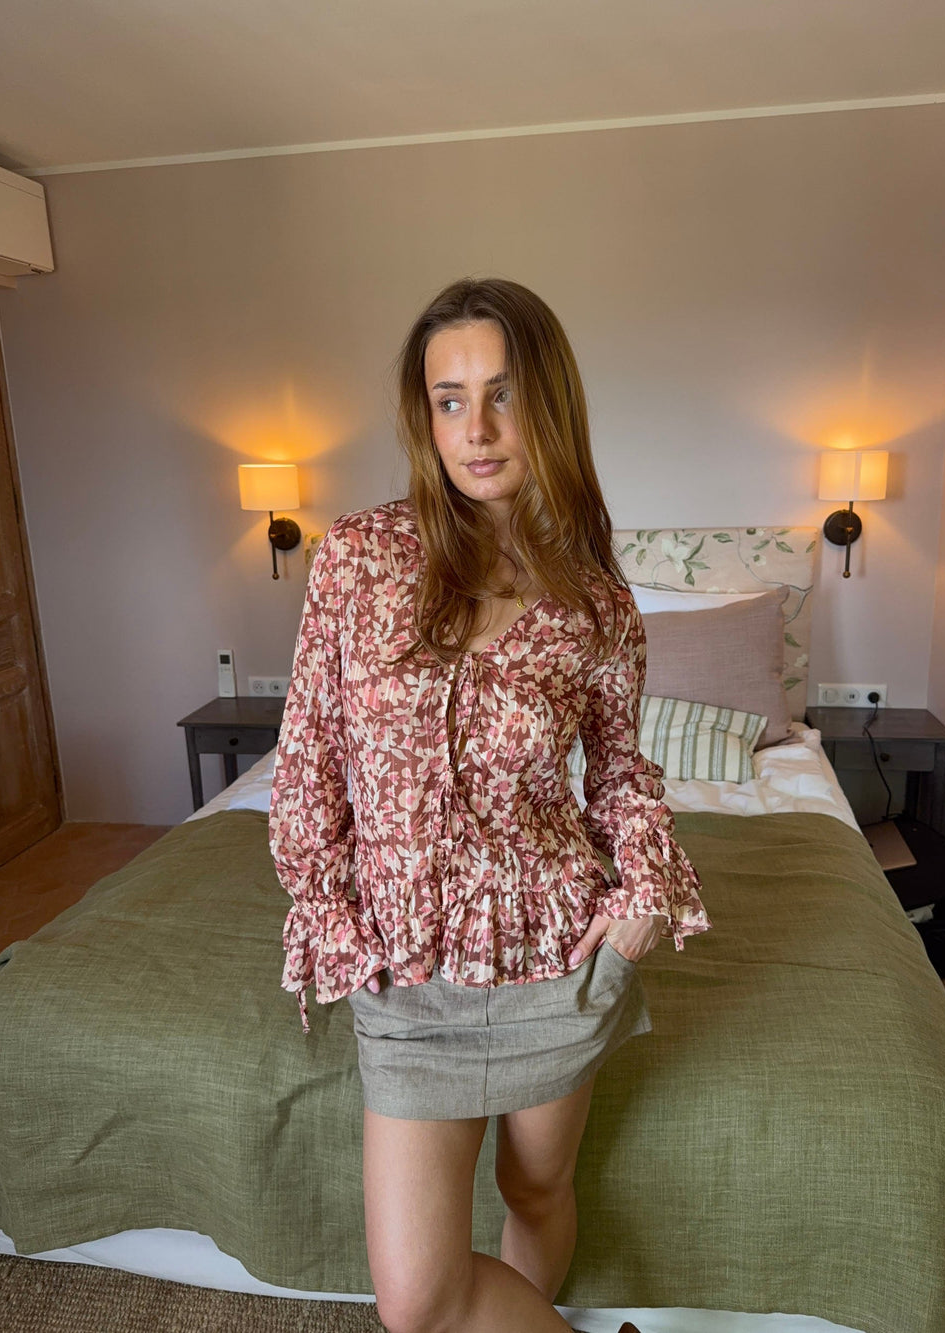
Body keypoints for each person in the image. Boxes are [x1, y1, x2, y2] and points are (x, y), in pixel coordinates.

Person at [269, 277, 710, 1333]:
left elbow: (619, 773)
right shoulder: (357, 560)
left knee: (535, 1190)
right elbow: (306, 763)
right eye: (449, 398)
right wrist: (331, 913)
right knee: (416, 1300)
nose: (476, 428)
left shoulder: (596, 603)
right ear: (424, 415)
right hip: (404, 960)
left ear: (546, 401)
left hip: (555, 949)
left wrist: (642, 894)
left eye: (502, 394)